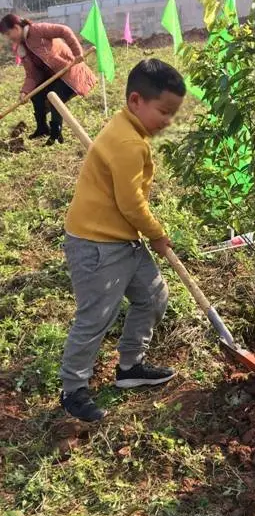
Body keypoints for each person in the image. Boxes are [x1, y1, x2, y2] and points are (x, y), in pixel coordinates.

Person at [59, 58, 186, 422]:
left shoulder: (127, 129)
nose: (168, 121)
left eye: (173, 113)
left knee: (152, 296)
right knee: (95, 317)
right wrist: (159, 235)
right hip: (97, 244)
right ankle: (73, 390)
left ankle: (130, 366)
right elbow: (131, 203)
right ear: (135, 101)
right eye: (163, 111)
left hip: (124, 239)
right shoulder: (128, 142)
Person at [0, 14, 96, 145]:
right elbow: (32, 74)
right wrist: (25, 91)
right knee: (37, 96)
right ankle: (42, 128)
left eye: (8, 33)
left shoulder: (38, 30)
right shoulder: (22, 49)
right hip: (53, 77)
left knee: (54, 97)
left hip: (69, 70)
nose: (8, 38)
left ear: (16, 28)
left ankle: (56, 134)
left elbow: (64, 30)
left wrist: (77, 53)